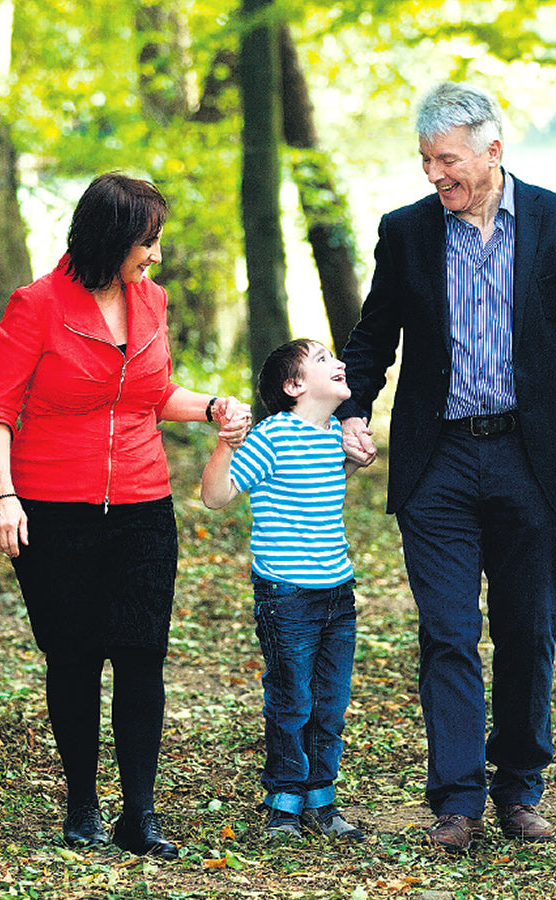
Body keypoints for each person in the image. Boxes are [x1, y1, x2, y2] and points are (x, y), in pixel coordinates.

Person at [337, 82, 556, 852]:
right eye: (427, 161)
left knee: (527, 628)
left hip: (531, 457)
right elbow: (375, 336)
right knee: (446, 630)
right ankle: (458, 800)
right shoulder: (405, 231)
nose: (437, 175)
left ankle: (520, 789)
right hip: (436, 460)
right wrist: (352, 408)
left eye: (448, 160)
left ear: (492, 151)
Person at [0, 172, 249, 859]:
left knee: (142, 657)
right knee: (72, 659)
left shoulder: (151, 302)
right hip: (53, 510)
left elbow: (155, 394)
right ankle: (80, 803)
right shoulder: (35, 304)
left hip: (142, 506)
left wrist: (213, 406)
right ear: (113, 236)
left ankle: (140, 815)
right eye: (147, 241)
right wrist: (3, 495)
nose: (155, 255)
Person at [201, 339, 367, 844]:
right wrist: (227, 443)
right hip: (287, 594)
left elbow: (321, 489)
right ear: (294, 387)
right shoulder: (272, 437)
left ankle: (321, 799)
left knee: (331, 702)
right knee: (292, 699)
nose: (337, 363)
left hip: (337, 593)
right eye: (322, 360)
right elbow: (216, 496)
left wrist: (356, 461)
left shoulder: (331, 436)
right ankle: (284, 802)